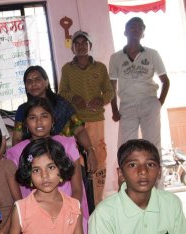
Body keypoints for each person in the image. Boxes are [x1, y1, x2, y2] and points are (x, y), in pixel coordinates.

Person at [6, 97, 95, 234]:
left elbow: (77, 188)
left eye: (44, 116)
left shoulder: (67, 144)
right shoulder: (16, 152)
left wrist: (66, 215)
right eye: (32, 117)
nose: (39, 122)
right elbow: (17, 196)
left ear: (53, 120)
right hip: (33, 220)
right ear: (26, 123)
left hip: (68, 215)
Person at [88, 139, 186, 234]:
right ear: (121, 174)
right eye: (133, 165)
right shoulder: (104, 213)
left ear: (160, 172)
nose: (143, 171)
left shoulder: (171, 203)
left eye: (150, 164)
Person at [3, 138, 88, 234]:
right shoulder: (21, 209)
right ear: (29, 174)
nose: (45, 176)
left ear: (61, 168)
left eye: (51, 167)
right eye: (36, 170)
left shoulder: (74, 207)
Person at [59, 30, 114, 205]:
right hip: (75, 121)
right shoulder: (67, 69)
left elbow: (110, 91)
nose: (81, 46)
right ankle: (81, 200)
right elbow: (62, 92)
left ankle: (98, 201)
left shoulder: (100, 67)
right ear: (72, 48)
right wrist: (73, 98)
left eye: (84, 43)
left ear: (90, 46)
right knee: (77, 159)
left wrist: (102, 99)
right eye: (77, 43)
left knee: (98, 156)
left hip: (96, 119)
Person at [13, 65, 98, 173]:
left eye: (37, 79)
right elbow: (17, 138)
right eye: (29, 81)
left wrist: (90, 150)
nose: (33, 84)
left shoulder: (61, 105)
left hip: (62, 158)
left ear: (46, 82)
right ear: (25, 86)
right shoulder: (22, 110)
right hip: (34, 161)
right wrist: (19, 160)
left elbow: (79, 129)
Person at [109, 17, 170, 161]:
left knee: (153, 145)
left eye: (139, 28)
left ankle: (157, 183)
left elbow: (165, 81)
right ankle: (126, 183)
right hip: (127, 104)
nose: (136, 30)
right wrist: (114, 109)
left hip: (149, 102)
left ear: (143, 33)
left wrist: (159, 103)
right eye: (132, 27)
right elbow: (111, 85)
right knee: (125, 145)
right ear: (125, 32)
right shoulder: (116, 57)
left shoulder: (152, 54)